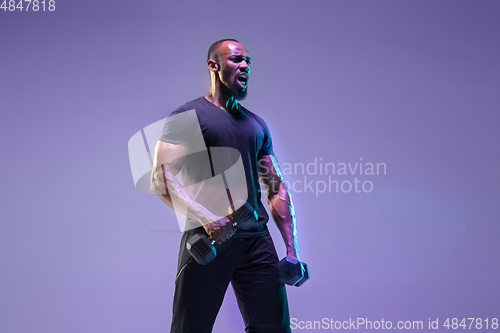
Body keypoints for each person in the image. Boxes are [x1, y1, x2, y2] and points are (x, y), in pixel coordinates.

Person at [150, 39, 301, 333]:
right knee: (190, 328)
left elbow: (275, 186)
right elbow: (161, 179)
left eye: (247, 61)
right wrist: (207, 218)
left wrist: (291, 249)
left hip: (256, 240)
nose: (244, 66)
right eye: (235, 60)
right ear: (214, 66)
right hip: (210, 240)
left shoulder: (256, 125)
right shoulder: (187, 117)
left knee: (273, 328)